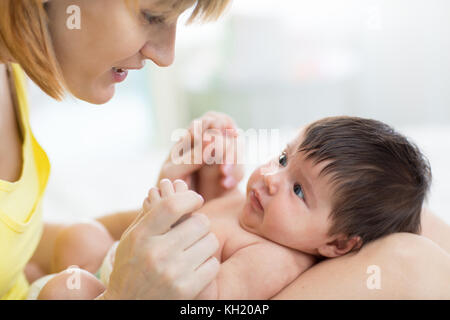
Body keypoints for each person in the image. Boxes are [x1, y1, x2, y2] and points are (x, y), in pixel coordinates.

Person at [0, 0, 449, 300]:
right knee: (415, 264)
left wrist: (177, 191)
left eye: (298, 191)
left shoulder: (273, 256)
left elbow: (211, 298)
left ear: (336, 244)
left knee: (417, 229)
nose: (166, 54)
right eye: (153, 14)